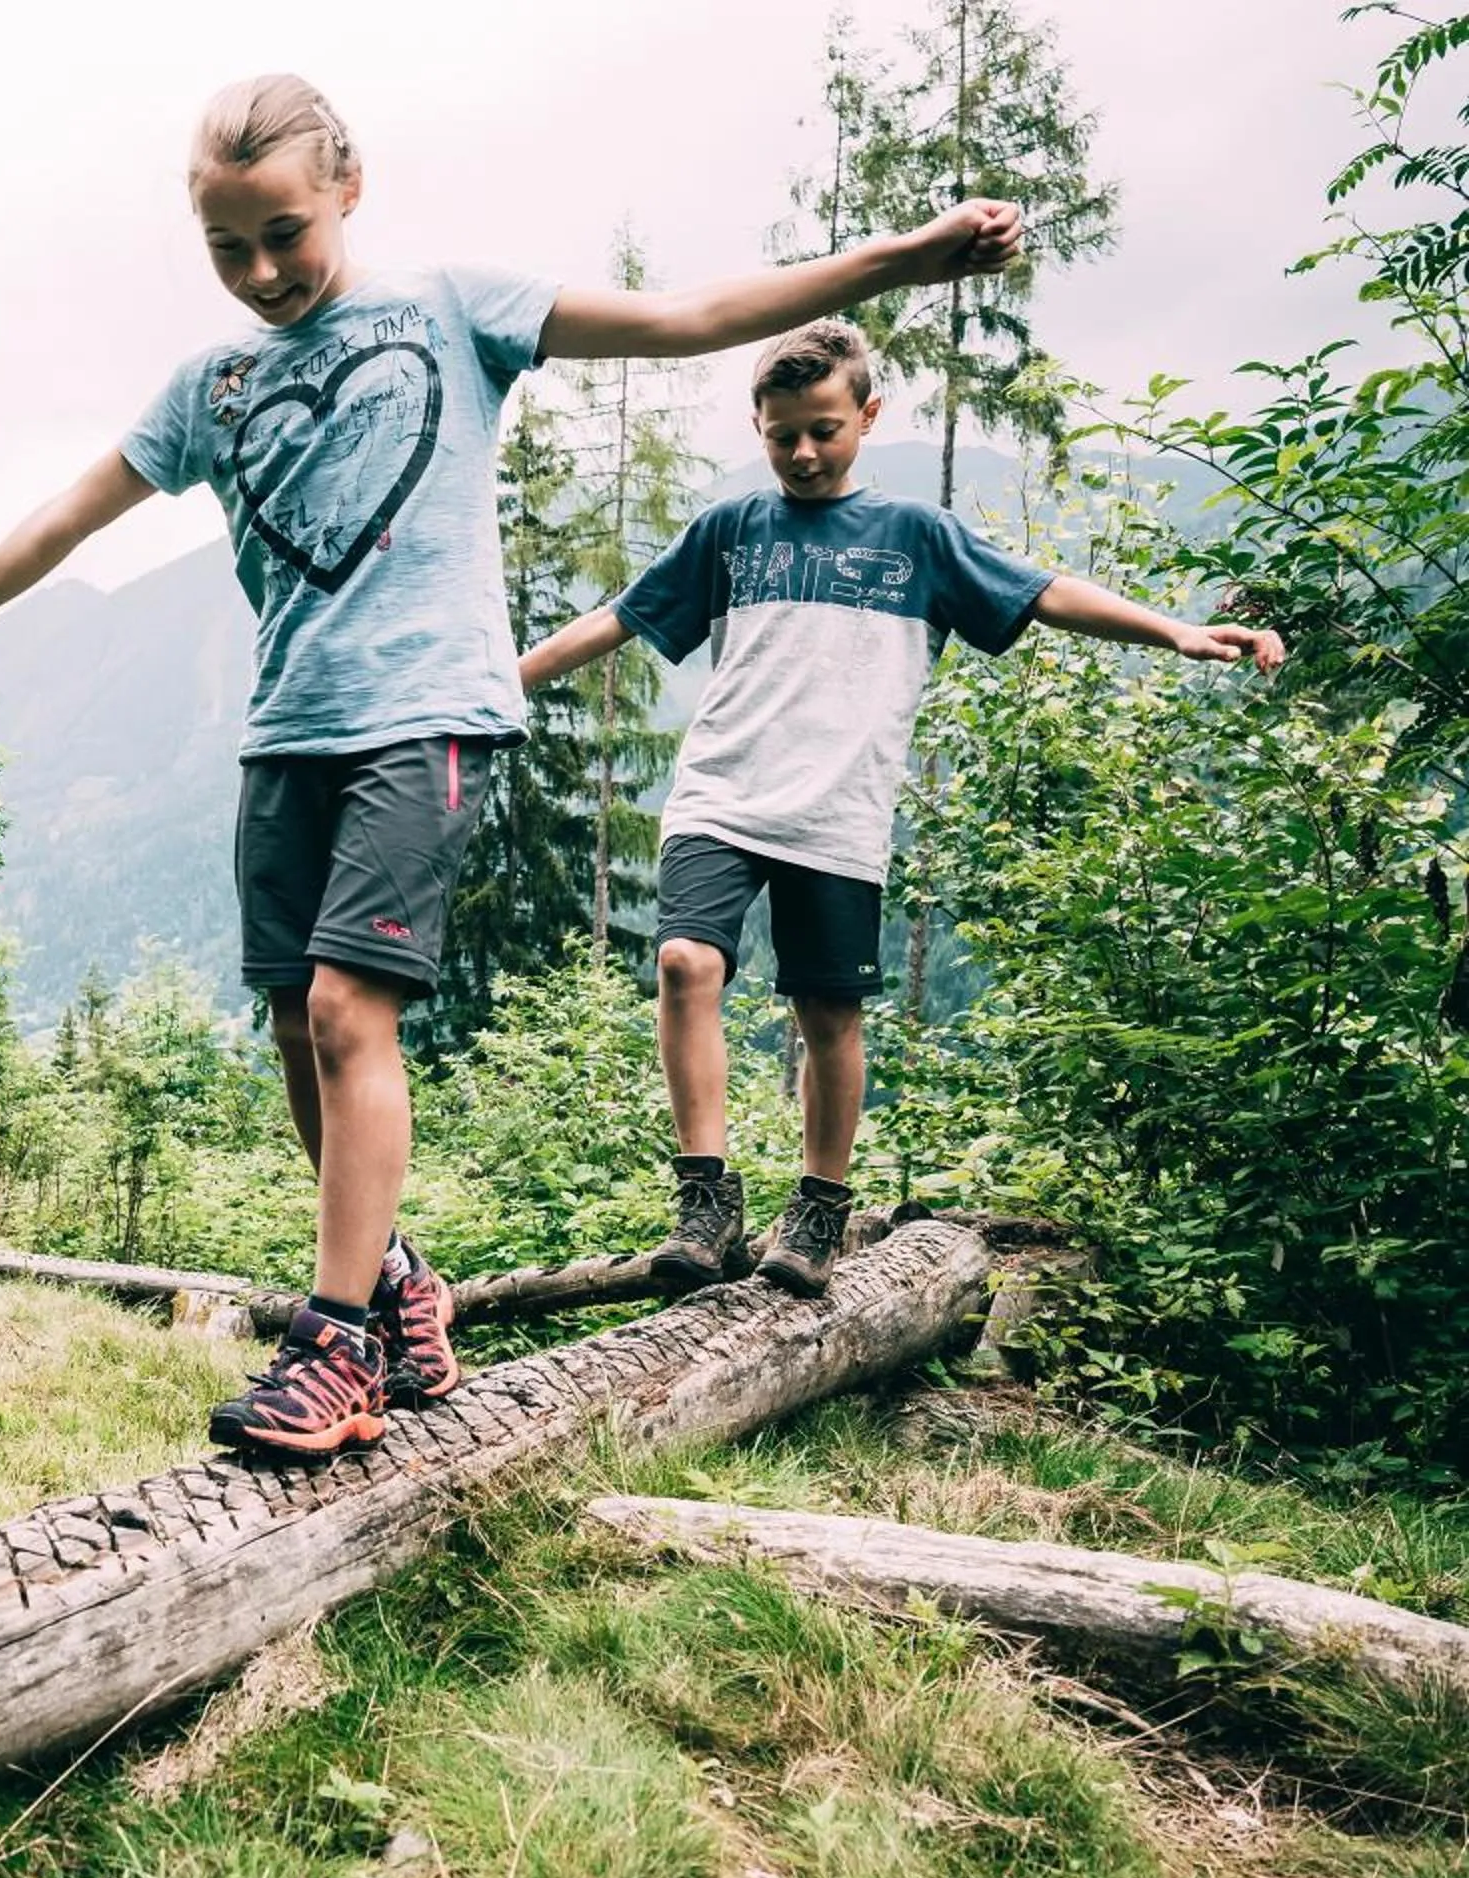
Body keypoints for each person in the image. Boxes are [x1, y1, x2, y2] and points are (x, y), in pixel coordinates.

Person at [0, 75, 1025, 1457]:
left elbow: (687, 322)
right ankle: (401, 1286)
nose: (259, 273)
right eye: (227, 250)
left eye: (284, 234)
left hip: (423, 718)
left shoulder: (451, 309)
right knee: (303, 1033)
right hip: (287, 731)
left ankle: (337, 1347)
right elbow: (77, 507)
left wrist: (904, 255)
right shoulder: (215, 384)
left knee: (354, 1012)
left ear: (348, 190)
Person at [516, 318, 1284, 1298]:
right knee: (683, 961)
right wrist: (509, 677)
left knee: (827, 1011)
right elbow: (622, 617)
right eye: (781, 432)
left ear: (867, 416)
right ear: (758, 425)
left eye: (824, 430)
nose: (802, 451)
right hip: (722, 790)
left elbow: (1043, 592)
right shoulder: (731, 530)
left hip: (838, 811)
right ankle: (706, 1199)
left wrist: (1175, 633)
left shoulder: (916, 536)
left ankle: (819, 1207)